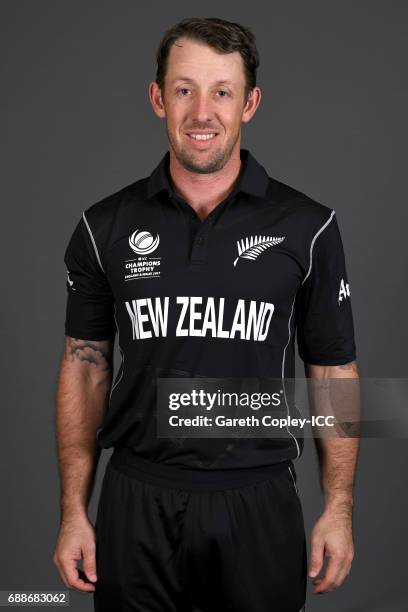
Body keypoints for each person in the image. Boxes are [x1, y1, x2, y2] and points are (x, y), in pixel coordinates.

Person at [53, 17, 359, 612]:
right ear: (157, 97)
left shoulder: (308, 225)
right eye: (184, 89)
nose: (202, 111)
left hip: (258, 496)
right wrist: (72, 513)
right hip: (137, 496)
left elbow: (334, 369)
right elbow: (84, 366)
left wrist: (339, 509)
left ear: (250, 103)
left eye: (222, 91)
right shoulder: (104, 225)